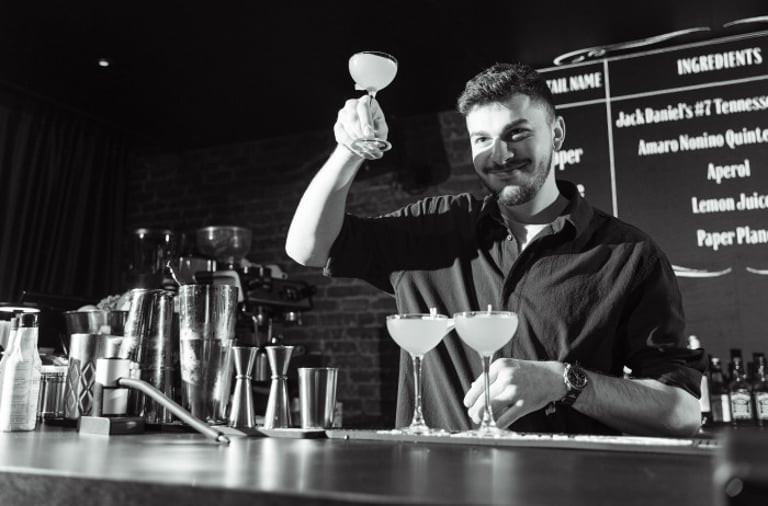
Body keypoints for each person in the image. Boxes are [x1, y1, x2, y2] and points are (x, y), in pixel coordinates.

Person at [285, 62, 705, 436]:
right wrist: (348, 151)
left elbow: (683, 413)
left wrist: (564, 381)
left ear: (557, 133)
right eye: (482, 138)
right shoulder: (435, 227)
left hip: (564, 486)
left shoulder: (628, 254)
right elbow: (308, 248)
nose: (500, 154)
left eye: (517, 133)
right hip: (436, 483)